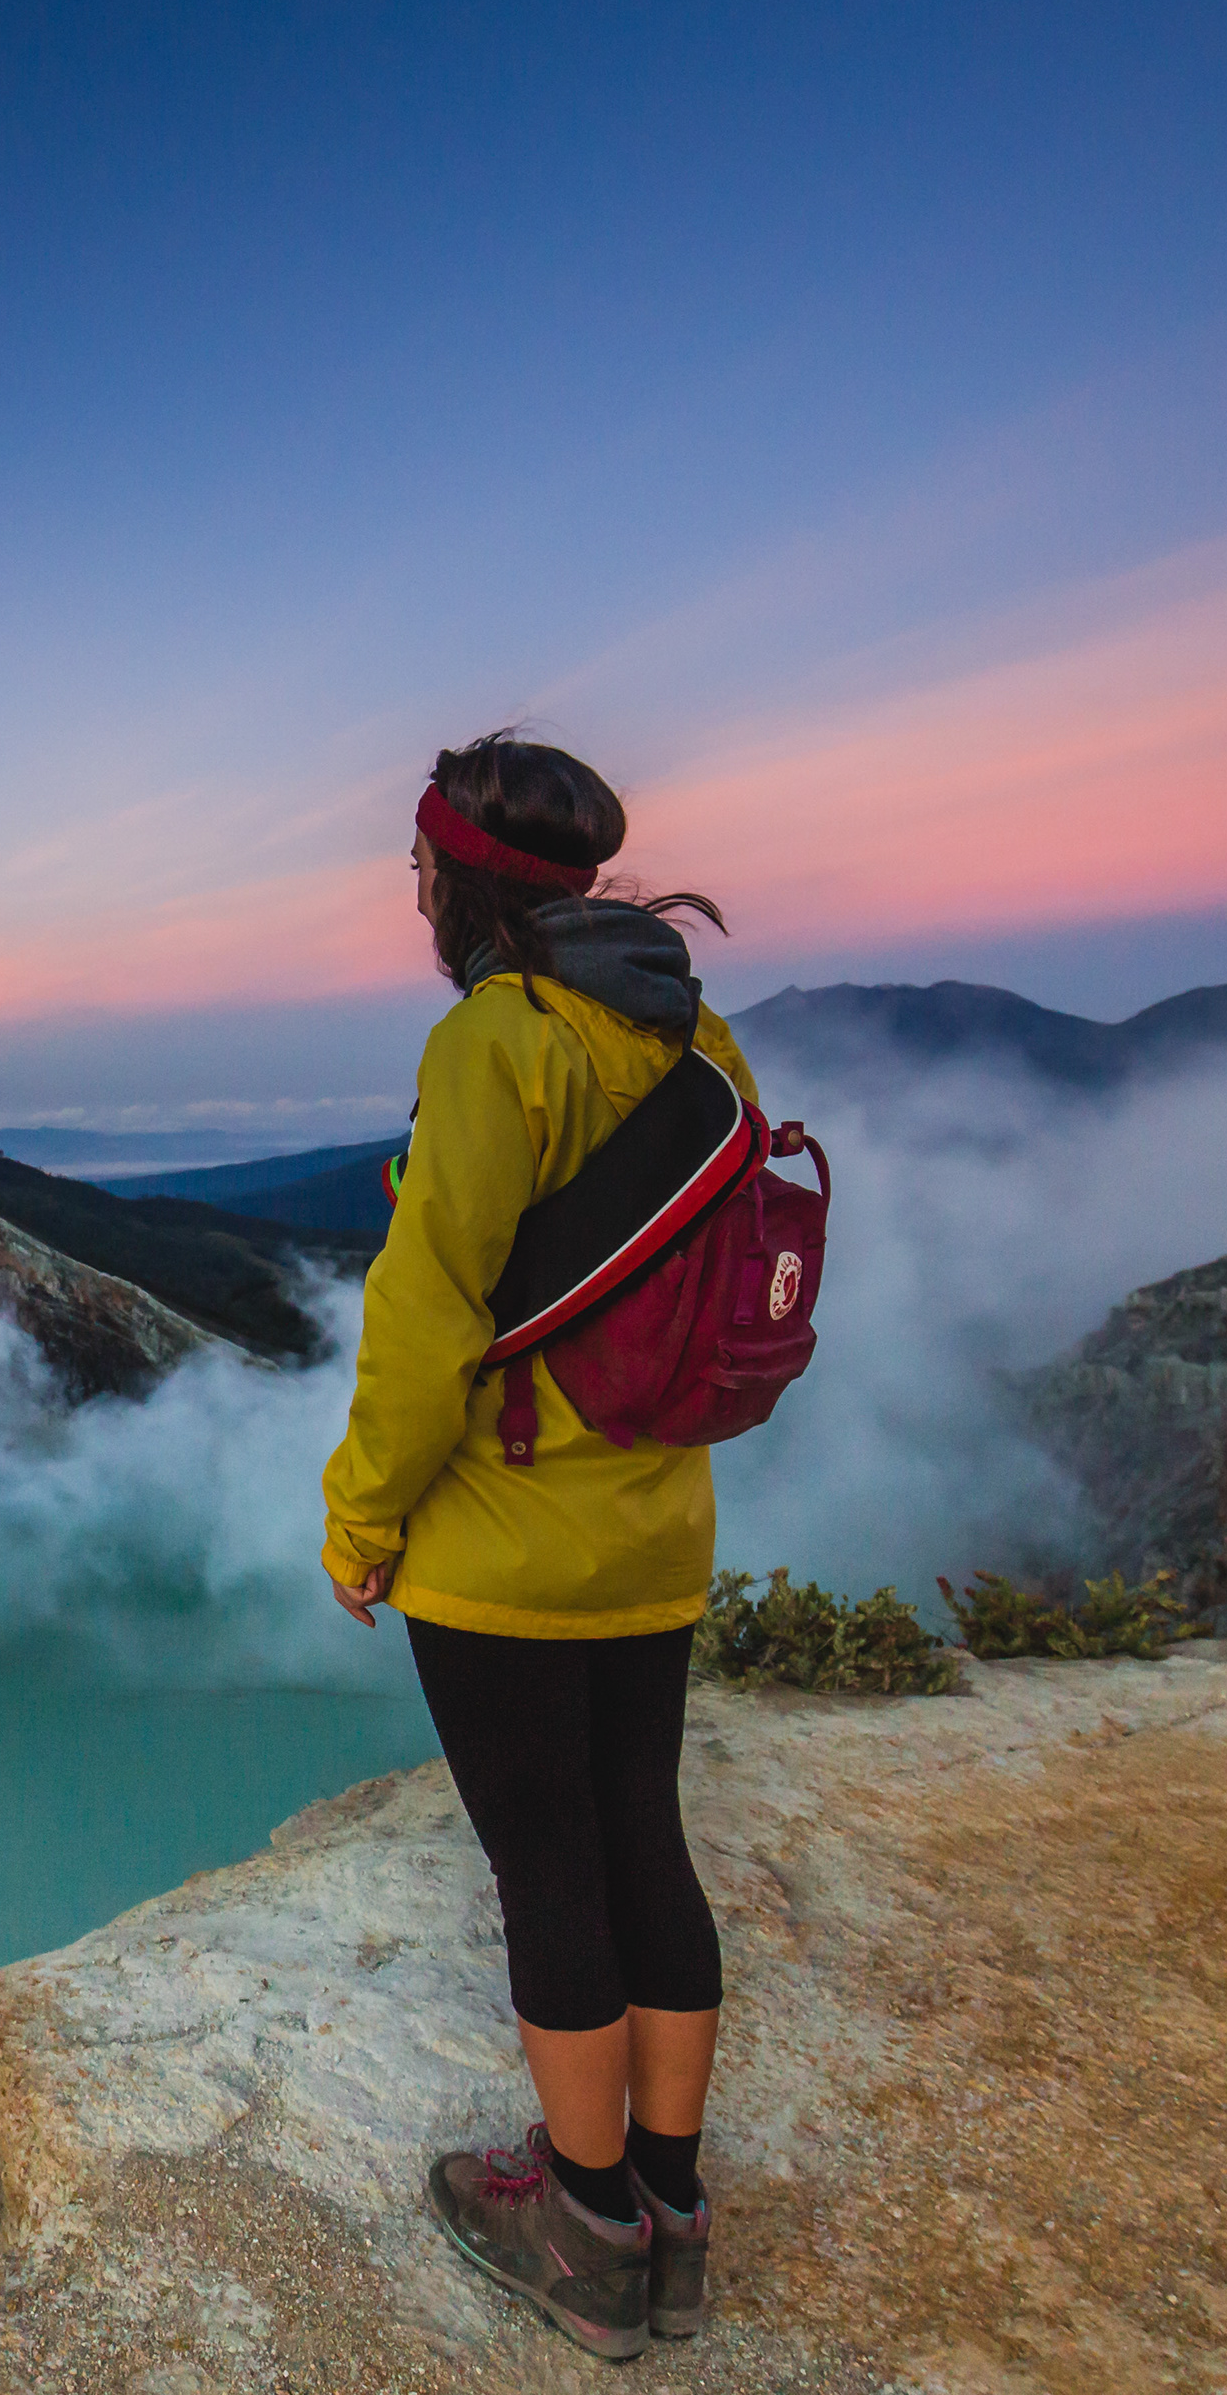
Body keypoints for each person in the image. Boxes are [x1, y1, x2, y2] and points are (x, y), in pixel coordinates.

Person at [322, 731, 749, 2362]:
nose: (413, 887)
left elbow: (429, 1315)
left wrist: (362, 1520)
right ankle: (671, 2210)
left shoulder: (490, 1045)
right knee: (646, 1831)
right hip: (656, 1532)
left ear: (468, 884)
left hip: (503, 1551)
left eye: (421, 865)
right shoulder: (701, 1042)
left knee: (546, 1864)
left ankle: (577, 2226)